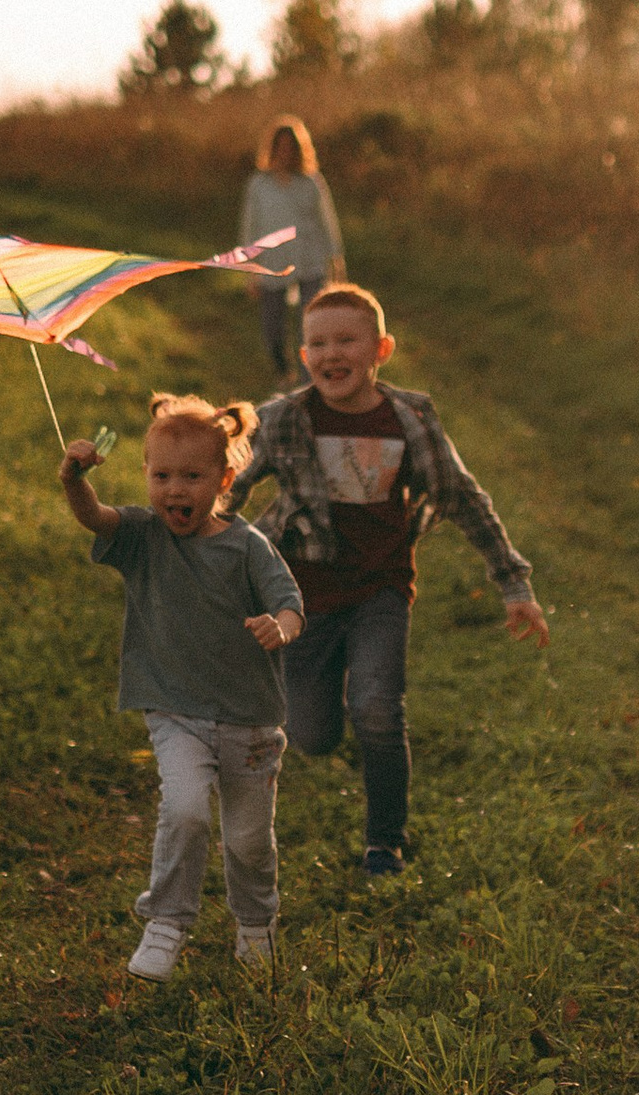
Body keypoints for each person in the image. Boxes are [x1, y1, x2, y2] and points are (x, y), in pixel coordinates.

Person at [231, 283, 549, 881]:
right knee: (312, 736)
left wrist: (514, 586)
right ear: (304, 358)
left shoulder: (409, 421)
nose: (332, 354)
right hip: (302, 600)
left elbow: (463, 498)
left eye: (347, 340)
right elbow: (231, 489)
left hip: (381, 591)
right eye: (318, 343)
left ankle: (385, 842)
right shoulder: (281, 421)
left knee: (378, 710)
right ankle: (320, 720)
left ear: (381, 349)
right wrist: (199, 545)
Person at [60, 394, 303, 981]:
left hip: (248, 720)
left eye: (192, 477)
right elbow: (95, 518)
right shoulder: (143, 535)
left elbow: (290, 603)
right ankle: (166, 923)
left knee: (248, 842)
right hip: (175, 712)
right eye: (161, 475)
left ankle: (255, 926)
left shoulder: (247, 546)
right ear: (144, 474)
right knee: (186, 811)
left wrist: (281, 627)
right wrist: (73, 479)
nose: (175, 490)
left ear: (224, 478)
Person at [240, 118, 345, 374]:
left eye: (291, 147)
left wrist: (337, 260)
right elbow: (249, 227)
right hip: (271, 264)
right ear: (273, 149)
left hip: (310, 261)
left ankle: (305, 381)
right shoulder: (259, 185)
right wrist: (249, 271)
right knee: (272, 329)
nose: (286, 153)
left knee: (309, 326)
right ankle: (282, 371)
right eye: (281, 147)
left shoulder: (311, 182)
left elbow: (327, 222)